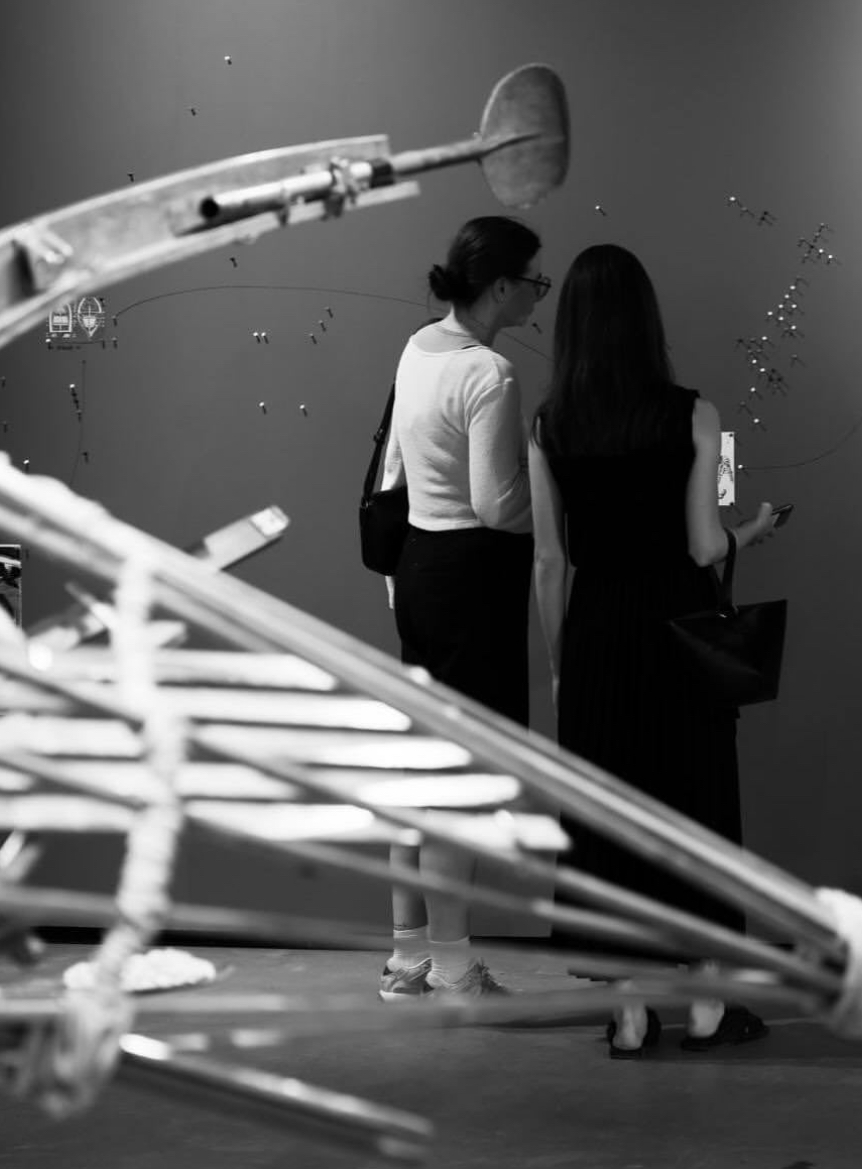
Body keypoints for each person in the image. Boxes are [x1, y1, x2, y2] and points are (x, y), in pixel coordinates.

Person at [527, 243, 780, 1054]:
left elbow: (548, 561)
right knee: (691, 807)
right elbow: (703, 545)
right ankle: (705, 1009)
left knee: (608, 819)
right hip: (677, 631)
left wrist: (559, 663)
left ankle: (630, 1015)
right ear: (645, 320)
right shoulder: (693, 414)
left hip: (596, 631)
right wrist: (752, 530)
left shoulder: (549, 425)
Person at [377, 215, 546, 1000]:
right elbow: (493, 503)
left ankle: (406, 957)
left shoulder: (417, 348)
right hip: (470, 583)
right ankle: (451, 964)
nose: (539, 294)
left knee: (417, 771)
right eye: (534, 281)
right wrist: (549, 507)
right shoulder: (489, 373)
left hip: (417, 568)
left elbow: (397, 467)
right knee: (461, 779)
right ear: (501, 286)